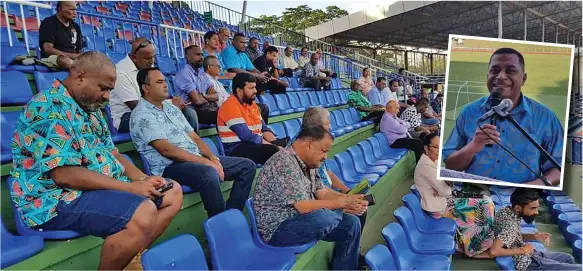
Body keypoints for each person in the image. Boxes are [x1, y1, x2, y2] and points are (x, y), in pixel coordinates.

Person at [9, 52, 183, 270]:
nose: (108, 96)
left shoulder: (91, 107)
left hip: (96, 189)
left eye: (110, 90)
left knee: (172, 191)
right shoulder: (47, 108)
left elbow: (113, 153)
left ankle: (129, 255)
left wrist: (145, 178)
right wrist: (130, 188)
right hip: (55, 200)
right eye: (104, 88)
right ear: (80, 77)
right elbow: (65, 176)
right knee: (143, 210)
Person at [130, 67, 256, 218]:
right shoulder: (141, 114)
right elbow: (167, 150)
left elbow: (195, 137)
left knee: (247, 166)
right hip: (169, 166)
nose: (165, 85)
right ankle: (222, 225)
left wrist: (213, 158)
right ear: (146, 88)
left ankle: (232, 214)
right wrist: (206, 163)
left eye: (164, 81)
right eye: (159, 82)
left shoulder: (171, 108)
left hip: (194, 159)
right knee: (208, 173)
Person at [442, 48, 563, 185]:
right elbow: (450, 165)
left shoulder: (546, 118)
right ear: (487, 76)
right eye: (495, 70)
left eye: (510, 70)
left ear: (523, 78)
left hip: (521, 200)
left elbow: (558, 167)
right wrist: (472, 147)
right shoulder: (468, 113)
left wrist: (537, 184)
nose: (501, 76)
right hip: (475, 198)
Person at [253, 126, 367, 270]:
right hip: (278, 230)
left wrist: (349, 200)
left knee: (351, 223)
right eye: (324, 151)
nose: (325, 156)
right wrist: (341, 203)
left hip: (301, 221)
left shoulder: (310, 163)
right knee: (326, 218)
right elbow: (303, 206)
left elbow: (322, 193)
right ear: (309, 145)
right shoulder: (284, 162)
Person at [414, 133, 495, 258]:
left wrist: (443, 186)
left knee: (486, 200)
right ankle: (475, 249)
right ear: (426, 148)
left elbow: (445, 188)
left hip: (444, 200)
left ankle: (478, 244)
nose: (438, 150)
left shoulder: (432, 161)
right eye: (435, 147)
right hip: (439, 208)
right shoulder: (426, 165)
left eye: (439, 147)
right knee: (485, 205)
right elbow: (446, 191)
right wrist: (445, 187)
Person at [110, 37, 199, 133]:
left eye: (153, 57)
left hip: (152, 110)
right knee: (162, 118)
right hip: (128, 117)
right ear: (134, 58)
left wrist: (172, 101)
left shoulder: (146, 66)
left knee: (189, 113)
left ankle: (191, 146)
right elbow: (136, 107)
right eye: (147, 58)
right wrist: (170, 103)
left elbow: (156, 95)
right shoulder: (121, 72)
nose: (152, 61)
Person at [490, 188, 582, 270]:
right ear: (518, 207)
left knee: (568, 258)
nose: (536, 212)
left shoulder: (506, 211)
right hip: (528, 263)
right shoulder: (510, 226)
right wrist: (524, 250)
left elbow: (510, 236)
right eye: (533, 208)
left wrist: (534, 236)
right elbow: (494, 251)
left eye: (537, 208)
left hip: (531, 255)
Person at [217, 73, 288, 165]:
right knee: (274, 151)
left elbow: (264, 128)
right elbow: (246, 136)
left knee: (287, 143)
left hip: (253, 144)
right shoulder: (230, 106)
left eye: (255, 87)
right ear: (239, 91)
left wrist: (276, 143)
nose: (255, 91)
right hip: (236, 148)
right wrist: (274, 146)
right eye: (251, 88)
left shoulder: (252, 104)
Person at [174, 45, 219, 125]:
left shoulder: (202, 73)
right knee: (222, 115)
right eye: (197, 55)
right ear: (188, 57)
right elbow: (197, 101)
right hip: (192, 110)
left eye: (202, 55)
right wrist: (208, 97)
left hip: (206, 108)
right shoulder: (184, 73)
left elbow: (216, 96)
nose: (201, 57)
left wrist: (203, 96)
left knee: (228, 111)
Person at [38, 1, 83, 70]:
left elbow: (79, 50)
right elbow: (48, 50)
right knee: (64, 60)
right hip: (53, 57)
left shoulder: (76, 26)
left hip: (73, 59)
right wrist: (73, 56)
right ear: (60, 8)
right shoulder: (49, 22)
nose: (75, 13)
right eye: (71, 9)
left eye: (75, 10)